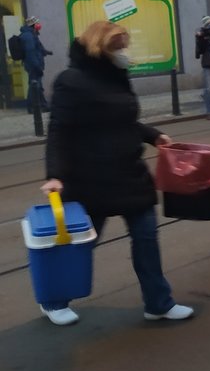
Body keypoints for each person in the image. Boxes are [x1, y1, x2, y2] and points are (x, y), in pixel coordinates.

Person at [38, 20, 194, 326]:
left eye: (125, 45)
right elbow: (58, 131)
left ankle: (158, 303)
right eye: (119, 46)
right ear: (101, 47)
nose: (125, 51)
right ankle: (54, 301)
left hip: (130, 175)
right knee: (81, 245)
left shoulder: (116, 76)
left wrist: (153, 136)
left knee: (146, 239)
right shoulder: (72, 80)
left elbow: (122, 120)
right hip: (90, 181)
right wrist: (54, 174)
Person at [20, 16, 53, 113]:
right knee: (35, 86)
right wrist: (36, 66)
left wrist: (46, 52)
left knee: (37, 86)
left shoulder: (32, 34)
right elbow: (30, 52)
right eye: (37, 23)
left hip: (35, 64)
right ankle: (33, 107)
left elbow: (38, 48)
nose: (39, 25)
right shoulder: (28, 36)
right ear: (33, 25)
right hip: (33, 65)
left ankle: (42, 105)